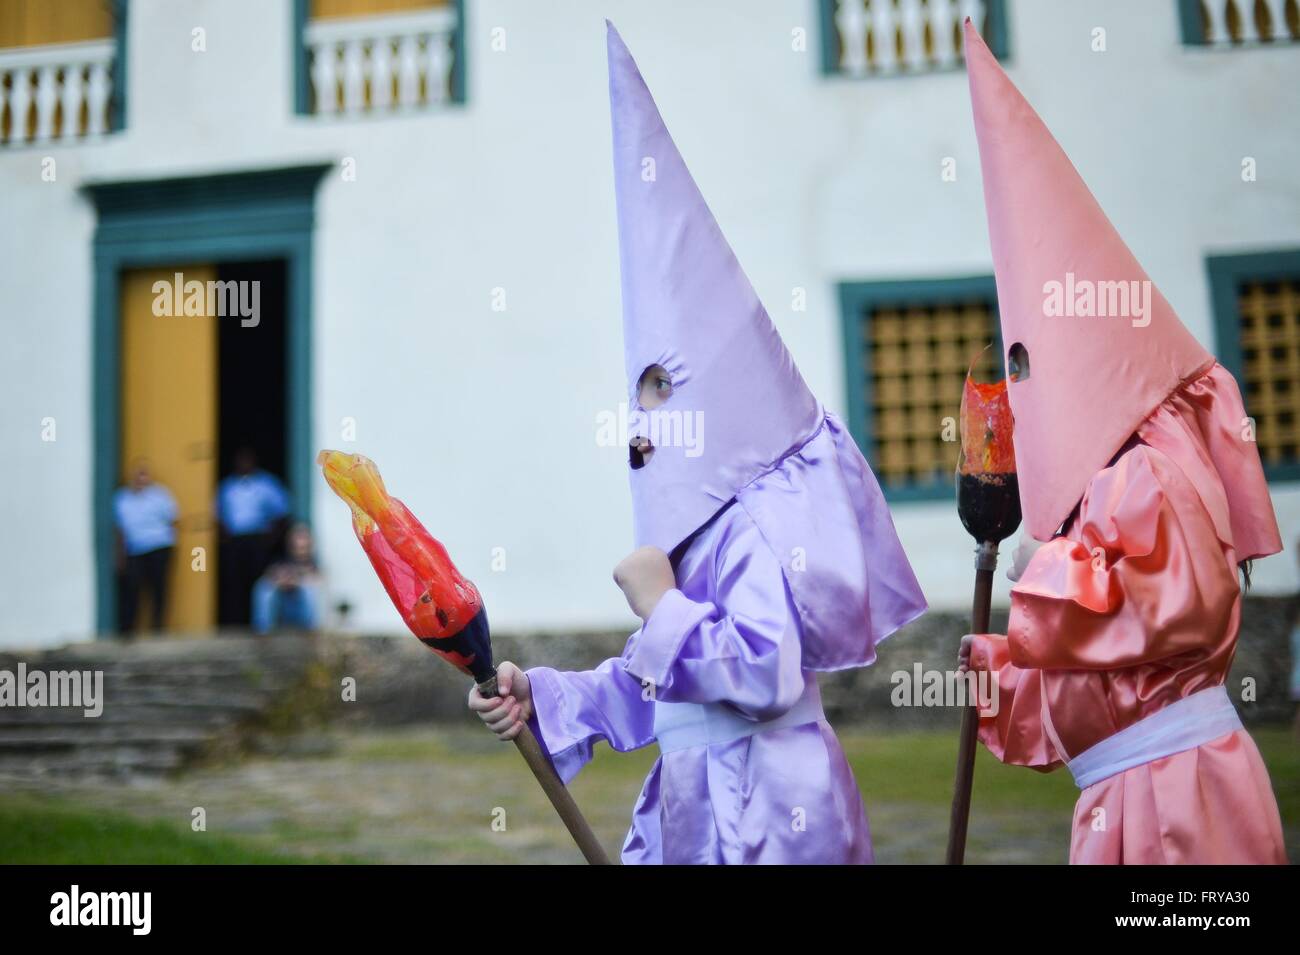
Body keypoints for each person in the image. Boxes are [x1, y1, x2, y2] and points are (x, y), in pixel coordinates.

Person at [468, 24, 927, 865]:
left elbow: (763, 671)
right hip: (697, 806)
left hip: (774, 811)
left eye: (661, 398)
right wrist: (545, 695)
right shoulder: (689, 532)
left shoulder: (753, 526)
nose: (646, 429)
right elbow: (653, 683)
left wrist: (663, 605)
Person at [955, 22, 1286, 864]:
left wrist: (1037, 584)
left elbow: (1156, 608)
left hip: (1181, 796)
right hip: (1118, 798)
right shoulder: (1090, 508)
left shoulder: (1149, 474)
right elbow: (1079, 680)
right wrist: (1000, 663)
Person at [215, 446, 290, 626]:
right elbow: (217, 515)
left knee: (259, 582)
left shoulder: (267, 484)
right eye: (240, 459)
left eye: (247, 459)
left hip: (258, 539)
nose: (244, 463)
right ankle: (236, 623)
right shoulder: (227, 487)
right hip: (236, 541)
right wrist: (225, 538)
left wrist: (271, 538)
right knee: (234, 583)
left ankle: (259, 623)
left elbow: (283, 513)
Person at [113, 459, 179, 634]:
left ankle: (158, 627)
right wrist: (119, 556)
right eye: (138, 475)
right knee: (132, 589)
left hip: (159, 547)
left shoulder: (160, 495)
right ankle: (128, 629)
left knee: (159, 588)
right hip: (135, 549)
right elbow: (119, 530)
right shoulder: (122, 498)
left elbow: (173, 520)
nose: (141, 479)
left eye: (144, 475)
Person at [252, 522, 324, 634]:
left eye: (303, 543)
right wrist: (281, 582)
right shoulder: (281, 560)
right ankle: (263, 631)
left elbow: (318, 581)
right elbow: (270, 575)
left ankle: (311, 632)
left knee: (309, 590)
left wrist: (298, 582)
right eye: (297, 543)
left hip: (301, 612)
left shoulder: (314, 564)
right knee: (264, 586)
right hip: (282, 607)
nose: (300, 547)